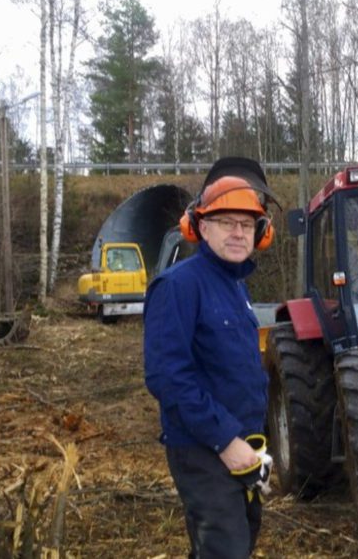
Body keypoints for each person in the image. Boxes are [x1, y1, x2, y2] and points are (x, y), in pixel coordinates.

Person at [143, 156, 276, 559]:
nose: (238, 233)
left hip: (242, 446)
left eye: (247, 223)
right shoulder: (178, 286)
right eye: (226, 222)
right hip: (203, 449)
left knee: (236, 541)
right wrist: (225, 441)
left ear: (260, 231)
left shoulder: (237, 288)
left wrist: (253, 447)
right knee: (226, 548)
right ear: (201, 227)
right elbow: (167, 377)